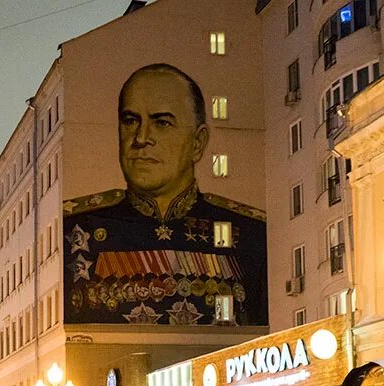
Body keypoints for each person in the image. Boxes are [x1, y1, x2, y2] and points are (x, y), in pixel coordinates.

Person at [60, 63, 266, 328]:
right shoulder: (77, 227)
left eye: (162, 123)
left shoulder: (250, 233)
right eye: (130, 121)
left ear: (197, 143)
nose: (141, 138)